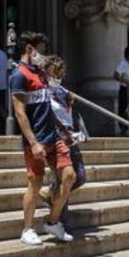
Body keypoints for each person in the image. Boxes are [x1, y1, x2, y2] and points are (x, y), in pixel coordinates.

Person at [10, 31, 76, 246]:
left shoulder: (41, 75)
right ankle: (27, 229)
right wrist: (33, 142)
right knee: (35, 184)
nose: (43, 56)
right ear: (29, 49)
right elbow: (20, 113)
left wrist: (63, 131)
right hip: (36, 140)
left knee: (69, 177)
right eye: (41, 50)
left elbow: (47, 107)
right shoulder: (19, 75)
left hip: (54, 136)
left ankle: (52, 221)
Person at [38, 56, 87, 228]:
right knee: (64, 178)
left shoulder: (62, 91)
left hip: (70, 137)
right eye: (54, 73)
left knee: (80, 177)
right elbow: (47, 116)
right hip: (55, 138)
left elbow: (66, 114)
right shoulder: (42, 90)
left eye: (61, 74)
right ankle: (60, 220)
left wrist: (70, 101)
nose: (57, 77)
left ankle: (51, 195)